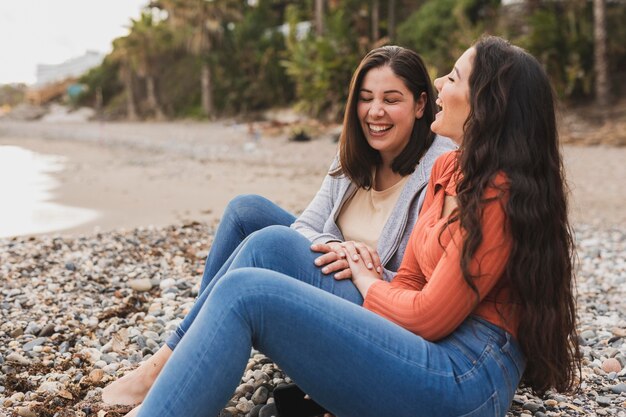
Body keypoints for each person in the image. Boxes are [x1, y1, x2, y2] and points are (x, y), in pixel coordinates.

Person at [126, 35, 581, 417]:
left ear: (487, 103)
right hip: (424, 341)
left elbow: (427, 317)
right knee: (263, 245)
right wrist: (350, 314)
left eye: (454, 77)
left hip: (466, 376)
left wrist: (364, 276)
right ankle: (172, 365)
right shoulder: (453, 170)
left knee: (245, 291)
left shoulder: (494, 194)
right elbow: (410, 279)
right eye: (366, 99)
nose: (441, 81)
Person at [103, 46, 455, 406]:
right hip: (333, 266)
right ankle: (194, 346)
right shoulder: (355, 155)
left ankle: (163, 368)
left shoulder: (440, 168)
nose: (375, 112)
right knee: (246, 212)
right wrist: (337, 248)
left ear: (420, 104)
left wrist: (360, 269)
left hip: (374, 299)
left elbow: (426, 285)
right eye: (366, 99)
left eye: (391, 99)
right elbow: (305, 226)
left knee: (268, 244)